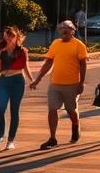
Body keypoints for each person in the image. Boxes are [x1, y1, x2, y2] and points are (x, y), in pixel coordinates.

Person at [30, 20, 88, 149]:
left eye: (67, 28)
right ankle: (52, 138)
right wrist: (37, 79)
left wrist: (81, 83)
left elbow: (83, 64)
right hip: (55, 84)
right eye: (61, 28)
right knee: (52, 109)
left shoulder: (79, 45)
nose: (63, 30)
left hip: (72, 84)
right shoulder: (55, 44)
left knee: (70, 110)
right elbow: (48, 63)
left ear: (73, 30)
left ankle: (75, 124)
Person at [0, 26, 33, 151]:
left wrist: (32, 81)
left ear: (17, 37)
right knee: (0, 110)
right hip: (4, 80)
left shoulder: (22, 51)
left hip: (17, 81)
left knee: (14, 111)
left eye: (12, 36)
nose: (9, 38)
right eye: (7, 35)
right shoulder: (1, 50)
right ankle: (0, 136)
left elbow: (26, 67)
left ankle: (11, 140)